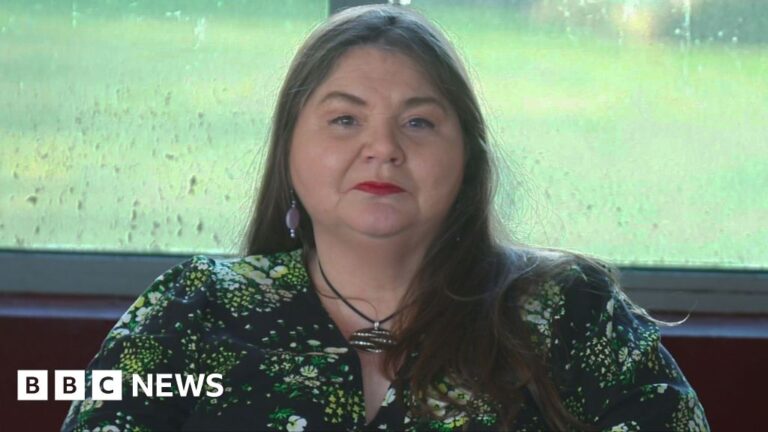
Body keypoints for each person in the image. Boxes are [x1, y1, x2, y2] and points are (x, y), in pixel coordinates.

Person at [62, 4, 708, 431]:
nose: (383, 148)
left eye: (419, 122)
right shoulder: (194, 310)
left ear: (468, 159)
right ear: (289, 149)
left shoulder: (570, 309)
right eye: (345, 119)